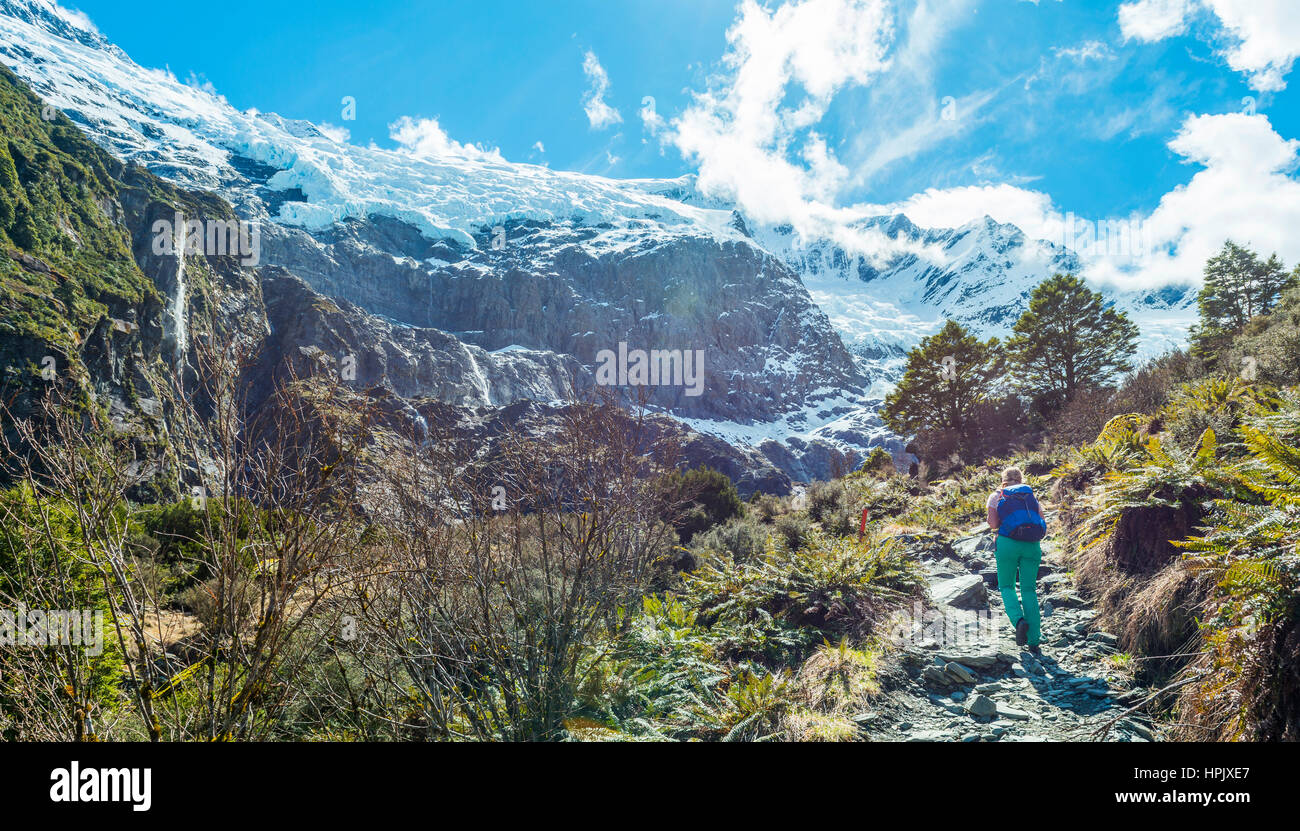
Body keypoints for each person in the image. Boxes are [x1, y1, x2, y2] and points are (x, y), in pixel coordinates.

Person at [986, 466, 1048, 653]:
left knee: (1007, 586)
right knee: (1029, 589)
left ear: (1003, 480)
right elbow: (1042, 521)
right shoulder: (1030, 497)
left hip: (1006, 544)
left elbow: (993, 523)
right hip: (1032, 545)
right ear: (1021, 479)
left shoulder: (997, 495)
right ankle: (1034, 640)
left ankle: (1019, 621)